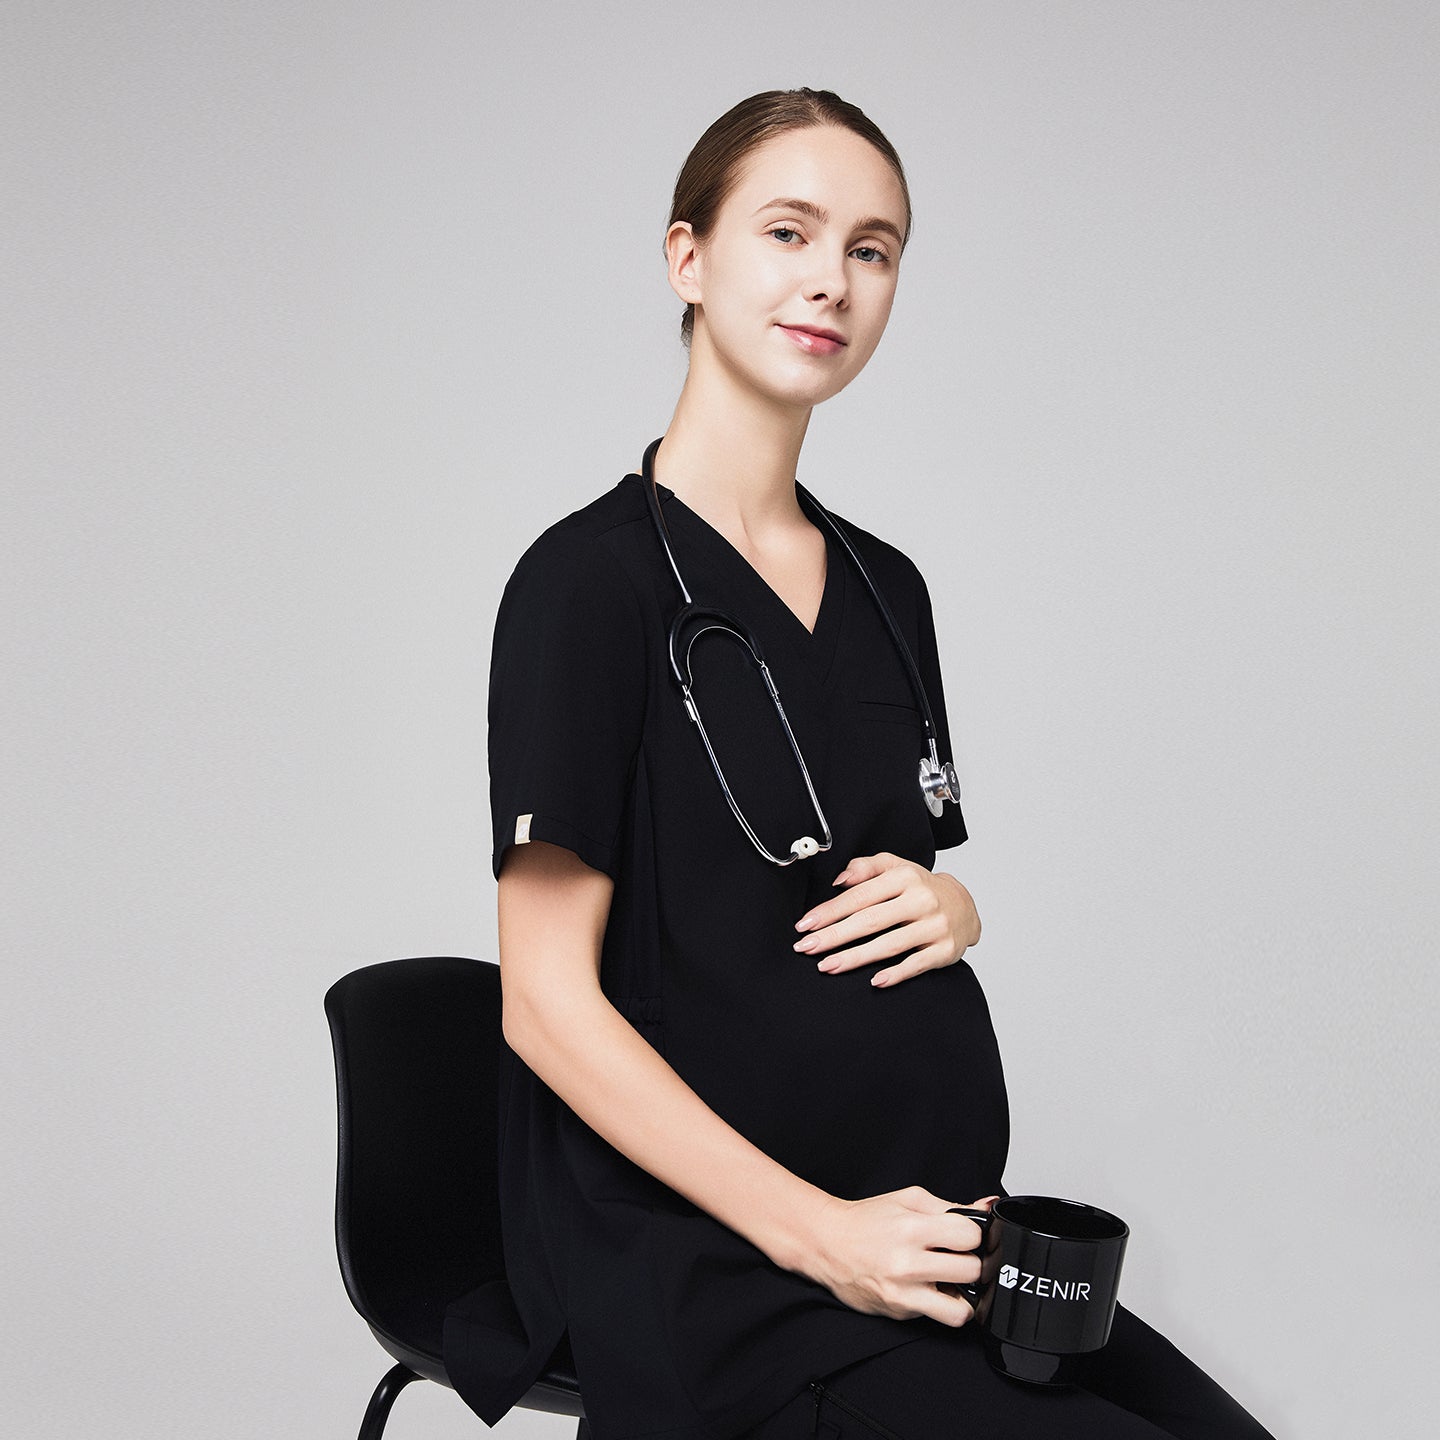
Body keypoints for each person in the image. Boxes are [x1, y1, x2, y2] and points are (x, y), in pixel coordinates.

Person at [444, 88, 1275, 1440]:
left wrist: (956, 906)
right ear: (689, 259)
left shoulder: (888, 588)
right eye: (788, 230)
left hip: (916, 1227)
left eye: (873, 248)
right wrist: (818, 1234)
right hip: (708, 1251)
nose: (831, 278)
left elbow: (864, 873)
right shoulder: (587, 585)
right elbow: (544, 1005)